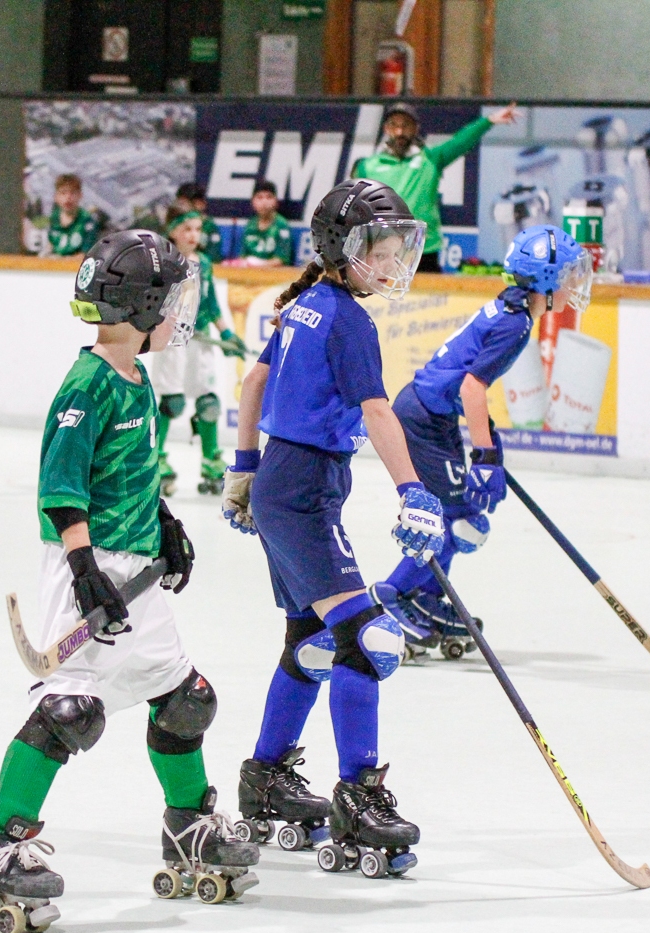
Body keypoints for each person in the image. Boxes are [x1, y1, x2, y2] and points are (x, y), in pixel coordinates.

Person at [0, 229, 258, 933]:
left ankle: (187, 826)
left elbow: (132, 471)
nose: (180, 312)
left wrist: (166, 522)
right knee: (70, 713)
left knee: (184, 702)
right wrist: (82, 566)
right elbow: (61, 487)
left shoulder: (138, 379)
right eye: (171, 299)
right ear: (142, 304)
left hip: (139, 569)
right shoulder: (87, 384)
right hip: (89, 568)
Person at [221, 179, 446, 878]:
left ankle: (266, 779)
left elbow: (252, 385)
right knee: (366, 638)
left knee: (310, 642)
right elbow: (377, 412)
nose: (391, 264)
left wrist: (245, 469)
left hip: (284, 480)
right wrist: (414, 492)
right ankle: (360, 796)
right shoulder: (348, 319)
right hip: (305, 491)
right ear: (342, 251)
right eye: (379, 251)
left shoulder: (304, 304)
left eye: (395, 251)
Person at [372, 225, 592, 656]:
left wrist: (488, 439)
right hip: (423, 419)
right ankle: (392, 595)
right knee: (457, 524)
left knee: (462, 519)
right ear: (546, 280)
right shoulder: (516, 324)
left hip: (431, 413)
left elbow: (463, 381)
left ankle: (426, 595)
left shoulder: (511, 308)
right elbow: (472, 386)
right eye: (567, 275)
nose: (573, 285)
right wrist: (485, 456)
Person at [149, 206, 248, 498]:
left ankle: (210, 459)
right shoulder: (164, 261)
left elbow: (211, 302)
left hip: (201, 338)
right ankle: (155, 458)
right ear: (173, 231)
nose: (194, 235)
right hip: (172, 340)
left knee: (208, 403)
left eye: (197, 229)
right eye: (187, 229)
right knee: (173, 401)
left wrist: (226, 333)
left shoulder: (203, 262)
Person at [352, 102, 517, 274]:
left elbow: (460, 142)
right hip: (383, 250)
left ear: (415, 128)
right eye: (394, 125)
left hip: (423, 251)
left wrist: (489, 121)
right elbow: (355, 210)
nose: (400, 132)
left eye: (406, 125)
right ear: (386, 129)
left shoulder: (430, 159)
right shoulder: (367, 167)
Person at [42, 174, 102, 257]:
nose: (68, 197)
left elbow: (86, 254)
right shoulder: (53, 219)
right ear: (56, 197)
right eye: (63, 193)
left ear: (80, 195)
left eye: (72, 193)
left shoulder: (87, 221)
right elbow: (50, 246)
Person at [239, 181, 294, 266]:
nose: (264, 202)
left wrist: (258, 265)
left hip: (274, 272)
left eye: (269, 197)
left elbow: (281, 260)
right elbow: (243, 256)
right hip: (250, 272)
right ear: (253, 202)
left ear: (276, 202)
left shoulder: (282, 225)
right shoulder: (250, 225)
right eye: (259, 197)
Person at [175, 182, 224, 261]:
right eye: (181, 204)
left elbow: (214, 257)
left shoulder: (209, 226)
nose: (183, 208)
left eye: (189, 204)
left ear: (201, 204)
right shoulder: (173, 225)